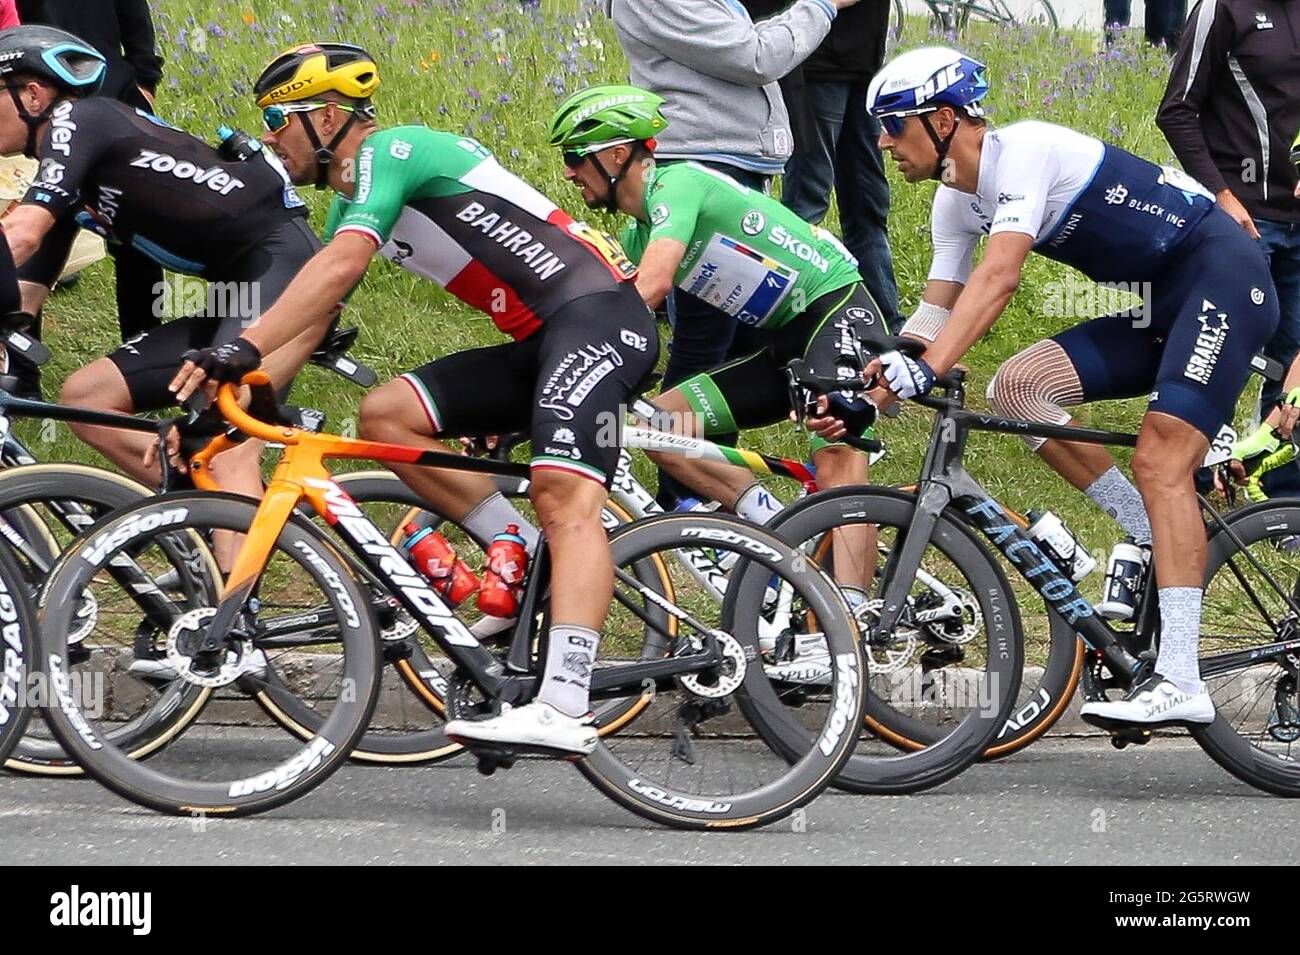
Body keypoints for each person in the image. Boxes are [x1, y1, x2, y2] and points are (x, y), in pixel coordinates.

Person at [169, 42, 658, 757]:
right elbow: (319, 306)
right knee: (387, 413)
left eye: (280, 117)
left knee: (564, 497)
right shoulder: (357, 190)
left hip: (597, 318)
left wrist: (238, 348)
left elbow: (338, 267)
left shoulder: (391, 150)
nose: (270, 135)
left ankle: (564, 701)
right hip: (545, 341)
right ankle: (511, 543)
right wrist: (241, 390)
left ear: (329, 116)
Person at [815, 45, 1278, 727]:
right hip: (1165, 306)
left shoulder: (1024, 150)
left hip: (1223, 280)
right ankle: (1147, 526)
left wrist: (933, 365)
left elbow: (998, 278)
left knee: (1160, 458)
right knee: (1018, 388)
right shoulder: (955, 201)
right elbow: (934, 314)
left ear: (944, 119)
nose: (883, 143)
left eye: (894, 125)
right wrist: (871, 393)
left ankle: (1181, 676)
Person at [548, 85, 887, 678]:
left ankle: (853, 627)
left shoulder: (675, 185)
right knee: (661, 427)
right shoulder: (635, 232)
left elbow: (647, 290)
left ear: (616, 155)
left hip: (834, 308)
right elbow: (623, 321)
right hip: (783, 341)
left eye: (577, 158)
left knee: (835, 451)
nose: (571, 174)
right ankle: (780, 532)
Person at [0, 25, 324, 500]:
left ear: (32, 94)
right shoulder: (73, 177)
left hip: (286, 271)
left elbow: (22, 233)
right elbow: (22, 294)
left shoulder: (79, 119)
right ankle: (207, 520)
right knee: (86, 397)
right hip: (239, 289)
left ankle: (244, 554)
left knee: (224, 444)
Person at [609, 0, 858, 504]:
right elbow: (755, 56)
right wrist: (823, 6)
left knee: (734, 344)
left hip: (727, 158)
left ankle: (715, 503)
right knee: (704, 342)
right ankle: (688, 505)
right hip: (701, 157)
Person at [1158, 0, 1300, 496]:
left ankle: (1279, 501)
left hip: (1297, 219)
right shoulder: (1221, 9)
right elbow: (1176, 111)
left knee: (1293, 368)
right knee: (1222, 354)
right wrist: (1221, 194)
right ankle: (1191, 479)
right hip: (1242, 218)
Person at [9, 0, 167, 399]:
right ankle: (21, 373)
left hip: (112, 95)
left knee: (137, 244)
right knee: (43, 230)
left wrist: (144, 81)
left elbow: (134, 15)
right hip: (40, 103)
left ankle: (144, 357)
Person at [751, 0, 900, 327]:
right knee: (808, 201)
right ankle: (792, 322)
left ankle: (885, 322)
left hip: (864, 66)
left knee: (869, 202)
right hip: (816, 65)